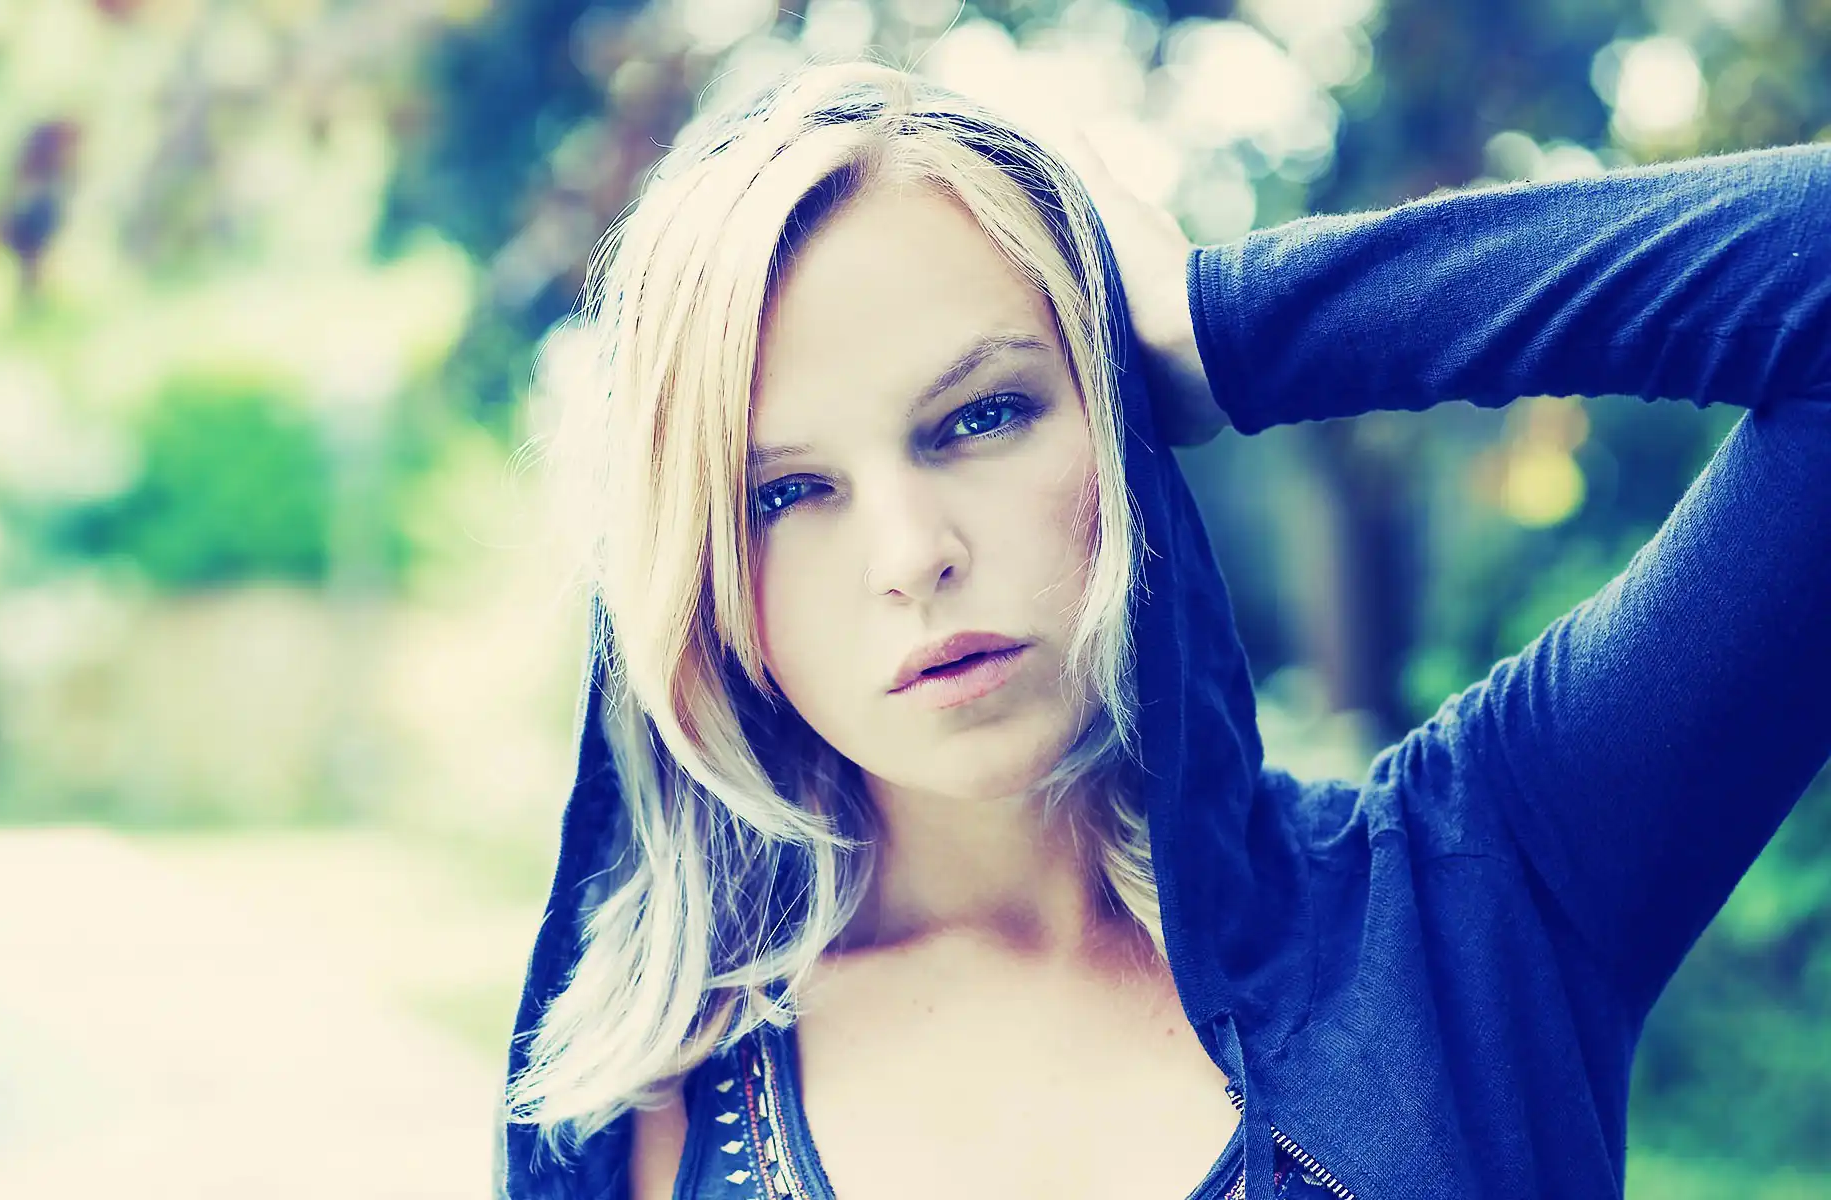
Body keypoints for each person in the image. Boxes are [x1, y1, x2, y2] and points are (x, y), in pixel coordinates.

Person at [495, 60, 1831, 1200]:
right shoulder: (650, 1104)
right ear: (701, 580)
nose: (912, 557)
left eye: (981, 417)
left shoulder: (1474, 895)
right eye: (785, 494)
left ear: (1114, 415)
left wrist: (1233, 324)